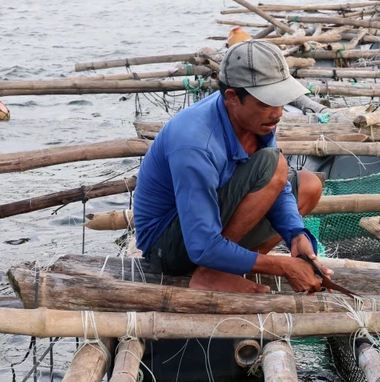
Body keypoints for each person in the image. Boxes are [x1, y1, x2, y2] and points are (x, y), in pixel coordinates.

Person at [133, 40, 328, 293]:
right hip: (168, 247)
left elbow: (277, 188)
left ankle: (225, 267)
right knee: (275, 163)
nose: (278, 113)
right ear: (232, 97)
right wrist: (282, 266)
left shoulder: (256, 119)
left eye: (281, 101)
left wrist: (296, 235)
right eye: (267, 103)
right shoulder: (194, 144)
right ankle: (212, 273)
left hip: (213, 222)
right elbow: (200, 244)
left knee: (308, 185)